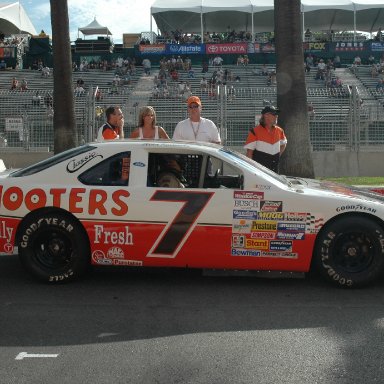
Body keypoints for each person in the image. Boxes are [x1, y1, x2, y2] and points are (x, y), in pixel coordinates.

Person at [244, 106, 287, 173]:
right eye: (274, 114)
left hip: (274, 169)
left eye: (277, 114)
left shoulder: (280, 130)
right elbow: (249, 153)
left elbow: (284, 144)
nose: (276, 116)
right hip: (259, 171)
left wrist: (277, 157)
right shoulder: (254, 131)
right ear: (266, 115)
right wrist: (251, 170)